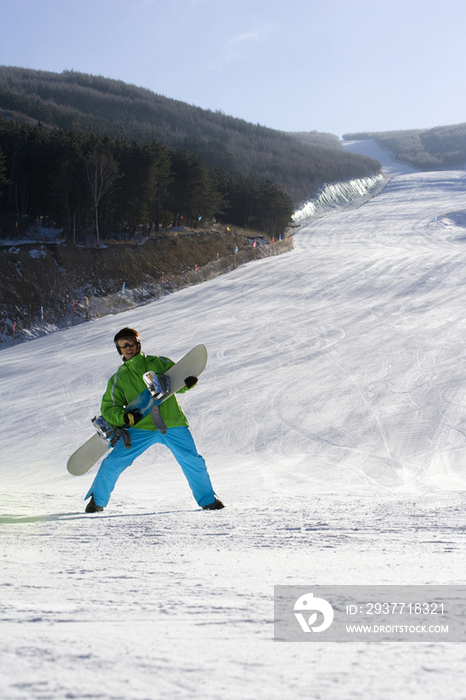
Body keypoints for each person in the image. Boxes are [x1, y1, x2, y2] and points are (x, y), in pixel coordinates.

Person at [84, 327, 224, 513]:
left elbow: (177, 382)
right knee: (113, 463)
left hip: (171, 423)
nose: (128, 348)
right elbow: (109, 408)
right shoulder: (119, 378)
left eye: (131, 343)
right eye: (123, 345)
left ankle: (209, 500)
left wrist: (187, 384)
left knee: (192, 460)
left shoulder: (159, 362)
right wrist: (124, 417)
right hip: (141, 428)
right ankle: (97, 501)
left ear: (138, 344)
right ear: (119, 349)